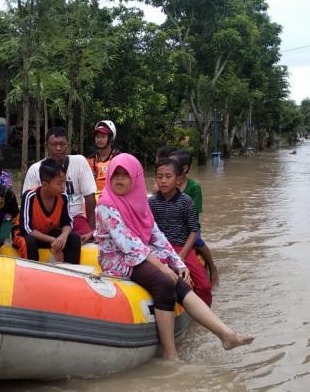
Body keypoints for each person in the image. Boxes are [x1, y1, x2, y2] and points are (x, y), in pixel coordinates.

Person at [94, 153, 253, 359]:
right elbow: (128, 244)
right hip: (116, 258)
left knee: (179, 281)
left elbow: (156, 235)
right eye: (116, 175)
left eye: (125, 175)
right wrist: (163, 267)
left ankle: (226, 335)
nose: (120, 179)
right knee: (164, 281)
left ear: (135, 177)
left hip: (141, 254)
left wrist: (178, 263)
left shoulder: (140, 201)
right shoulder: (106, 203)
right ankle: (170, 354)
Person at [149, 159, 212, 306]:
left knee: (204, 286)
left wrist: (182, 254)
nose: (163, 181)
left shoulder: (186, 201)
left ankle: (205, 315)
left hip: (182, 247)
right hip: (158, 248)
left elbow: (194, 230)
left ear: (178, 179)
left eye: (168, 176)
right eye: (159, 176)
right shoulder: (151, 203)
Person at [23, 127, 97, 243]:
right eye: (54, 144)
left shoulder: (80, 162)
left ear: (68, 145)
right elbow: (29, 203)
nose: (58, 148)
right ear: (46, 146)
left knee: (83, 240)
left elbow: (89, 195)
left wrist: (93, 229)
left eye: (62, 144)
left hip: (75, 217)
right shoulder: (35, 170)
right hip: (45, 221)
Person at [13, 158, 81, 264]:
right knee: (29, 242)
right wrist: (53, 240)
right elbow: (26, 229)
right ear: (45, 185)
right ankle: (32, 273)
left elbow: (67, 222)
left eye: (64, 182)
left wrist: (62, 238)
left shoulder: (63, 196)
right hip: (29, 235)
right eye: (59, 184)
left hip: (49, 233)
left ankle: (71, 270)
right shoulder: (30, 196)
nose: (63, 187)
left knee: (74, 238)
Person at [169, 149, 219, 289]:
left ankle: (212, 267)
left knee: (197, 241)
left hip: (189, 225)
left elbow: (194, 216)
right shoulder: (167, 184)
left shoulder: (194, 187)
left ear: (184, 169)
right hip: (170, 225)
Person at [86, 120, 121, 197]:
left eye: (103, 136)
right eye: (97, 136)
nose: (99, 140)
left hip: (114, 199)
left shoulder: (119, 158)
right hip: (94, 200)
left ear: (111, 138)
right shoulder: (90, 159)